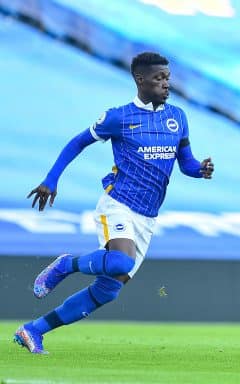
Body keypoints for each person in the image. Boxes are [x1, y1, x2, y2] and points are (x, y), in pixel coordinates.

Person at [14, 52, 214, 354]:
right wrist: (52, 179)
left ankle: (33, 330)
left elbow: (186, 164)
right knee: (121, 261)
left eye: (167, 78)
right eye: (159, 78)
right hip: (118, 203)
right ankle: (67, 265)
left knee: (108, 292)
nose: (165, 84)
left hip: (147, 216)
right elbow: (78, 141)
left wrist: (201, 170)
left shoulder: (177, 118)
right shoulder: (118, 117)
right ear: (140, 80)